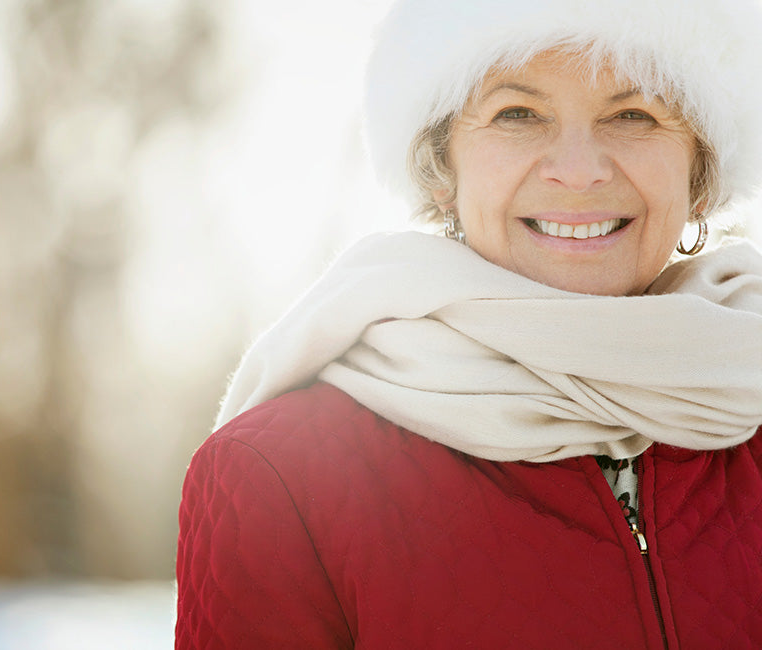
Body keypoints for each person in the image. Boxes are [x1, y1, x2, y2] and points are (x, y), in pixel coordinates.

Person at [175, 0, 762, 646]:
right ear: (441, 168)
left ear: (700, 170)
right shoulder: (278, 479)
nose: (579, 169)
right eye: (517, 114)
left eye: (633, 114)